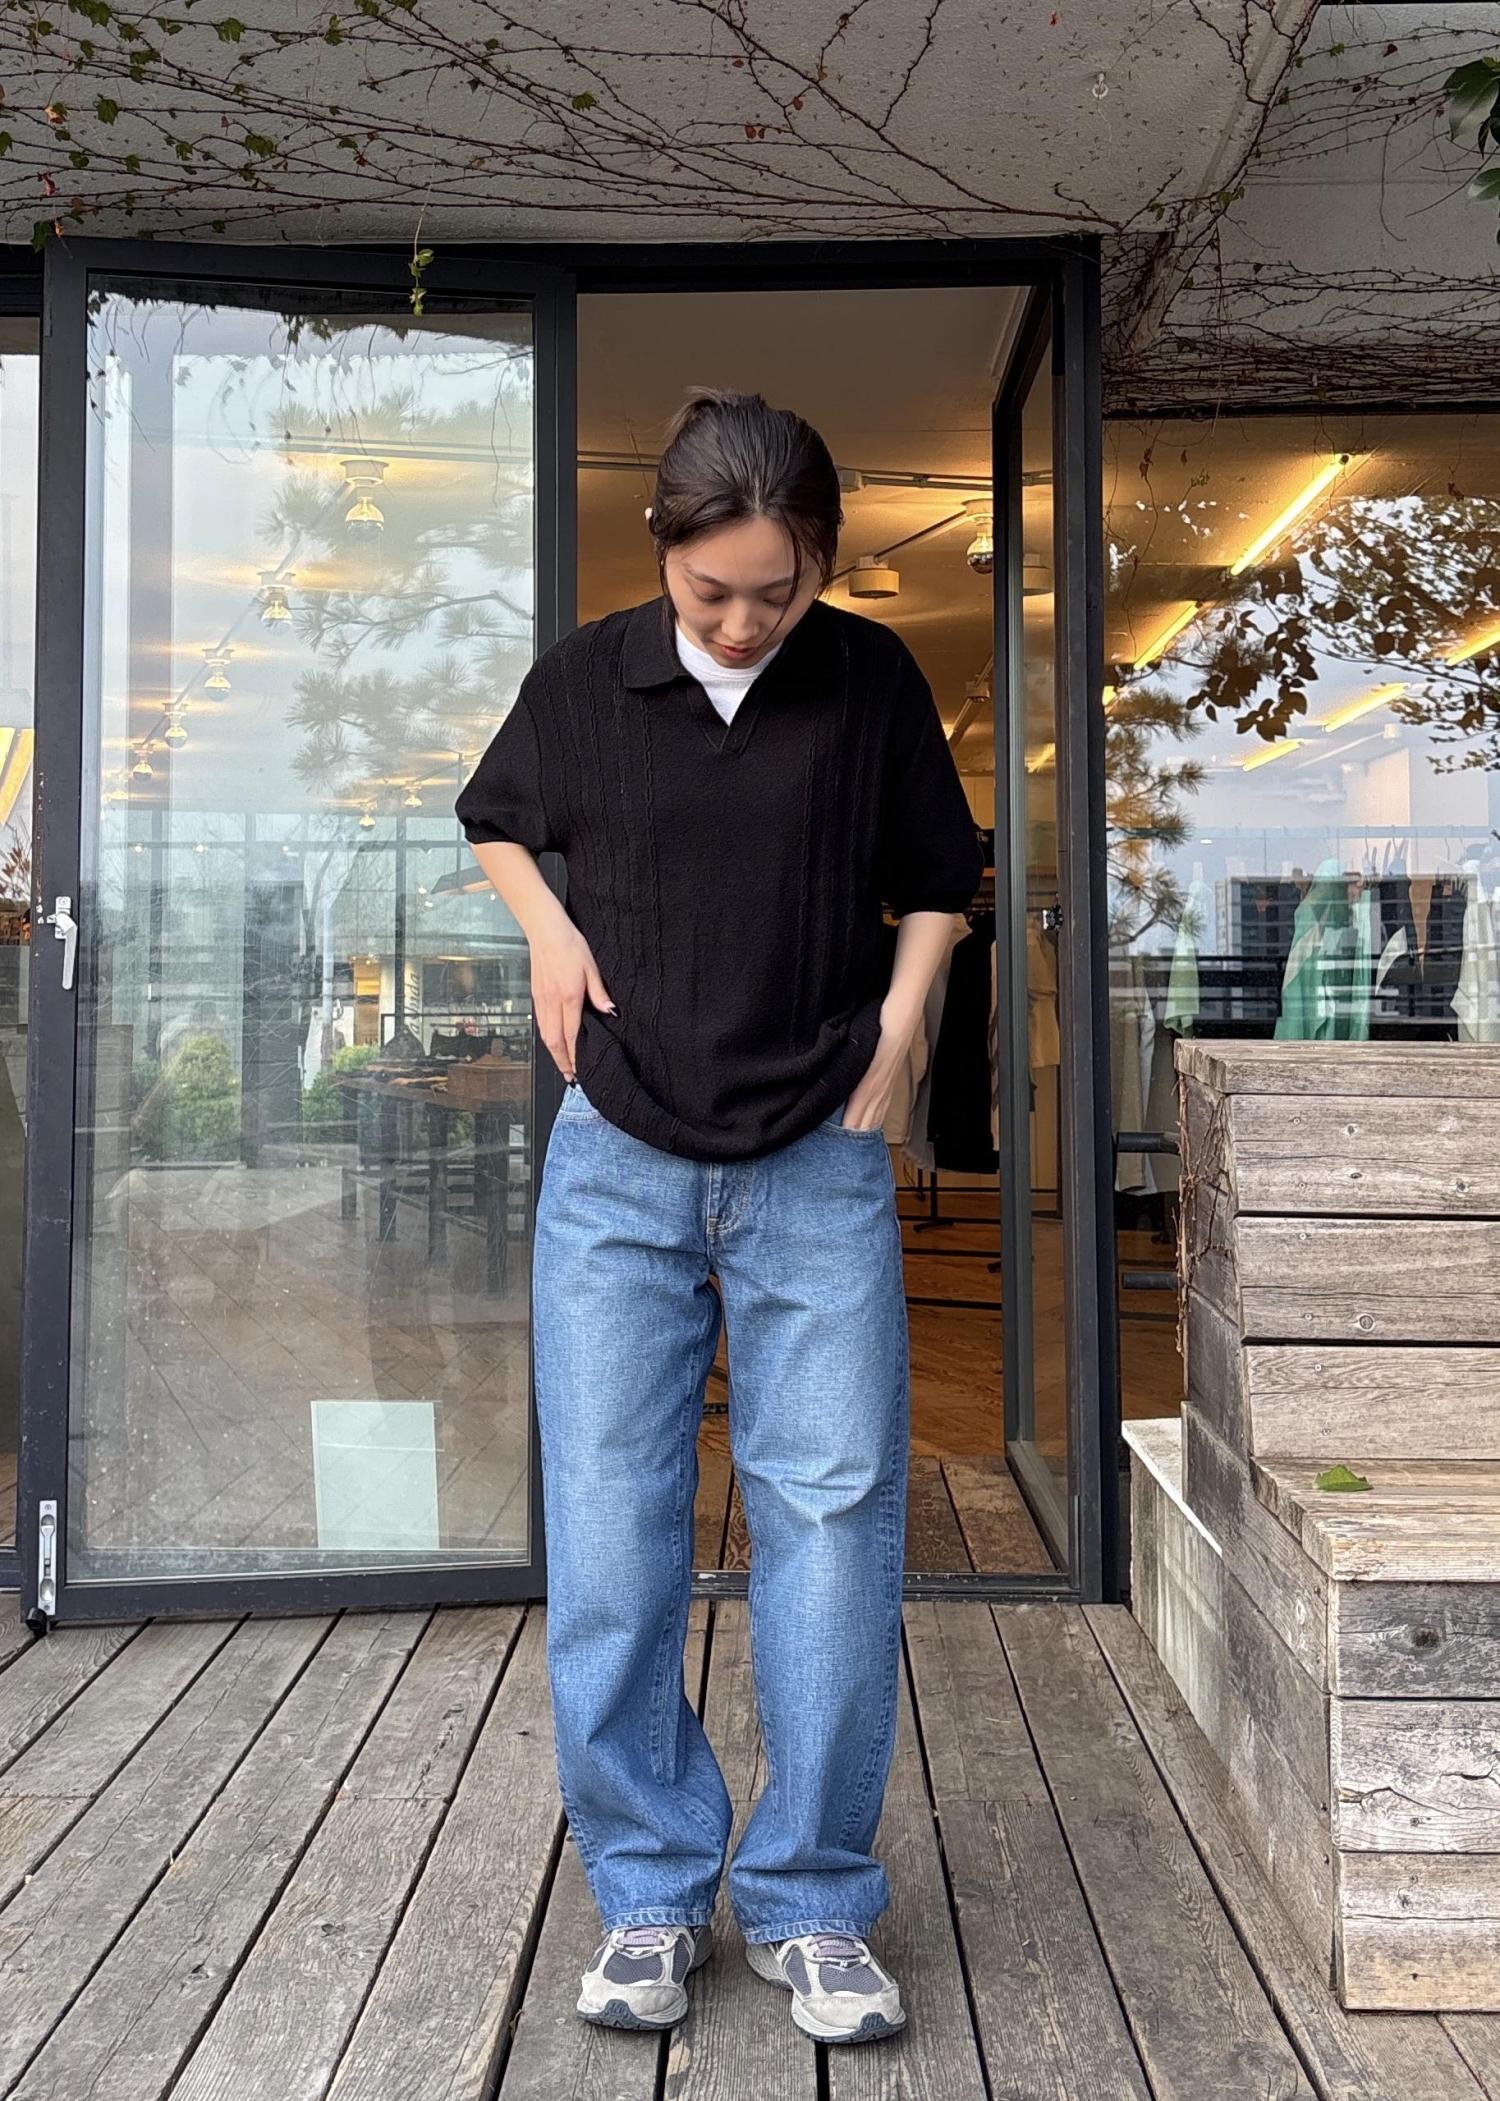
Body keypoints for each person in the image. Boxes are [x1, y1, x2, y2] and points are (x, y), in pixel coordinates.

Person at [456, 386, 983, 2046]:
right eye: (713, 591)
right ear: (662, 552)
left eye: (781, 588)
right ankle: (649, 1886)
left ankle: (814, 1895)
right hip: (617, 1156)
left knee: (831, 1515)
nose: (747, 621)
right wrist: (547, 928)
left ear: (824, 558)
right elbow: (494, 817)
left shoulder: (870, 681)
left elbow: (939, 878)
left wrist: (902, 1023)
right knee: (614, 1516)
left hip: (816, 1151)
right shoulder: (586, 681)